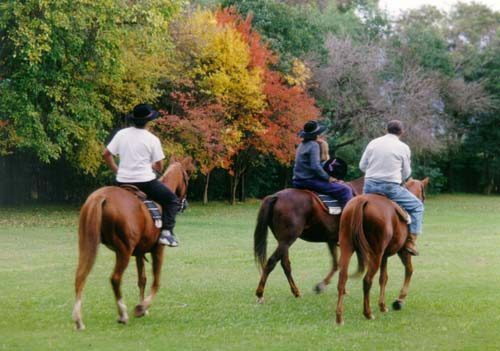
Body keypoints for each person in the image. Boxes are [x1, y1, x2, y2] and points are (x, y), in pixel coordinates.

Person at [103, 103, 179, 247]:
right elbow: (159, 165)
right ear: (149, 121)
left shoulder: (121, 134)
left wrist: (116, 170)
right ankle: (166, 233)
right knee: (172, 200)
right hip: (146, 182)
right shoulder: (152, 139)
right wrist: (151, 166)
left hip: (122, 182)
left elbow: (106, 154)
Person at [359, 120, 423, 255]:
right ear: (402, 132)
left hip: (369, 186)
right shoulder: (403, 147)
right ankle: (410, 241)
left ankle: (345, 235)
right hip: (390, 187)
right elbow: (406, 172)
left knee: (355, 206)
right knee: (418, 206)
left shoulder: (373, 143)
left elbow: (362, 166)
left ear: (385, 129)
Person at [292, 120, 354, 208]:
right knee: (345, 190)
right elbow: (315, 166)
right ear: (316, 135)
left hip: (297, 180)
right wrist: (328, 178)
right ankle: (348, 218)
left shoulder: (301, 145)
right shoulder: (314, 145)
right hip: (308, 181)